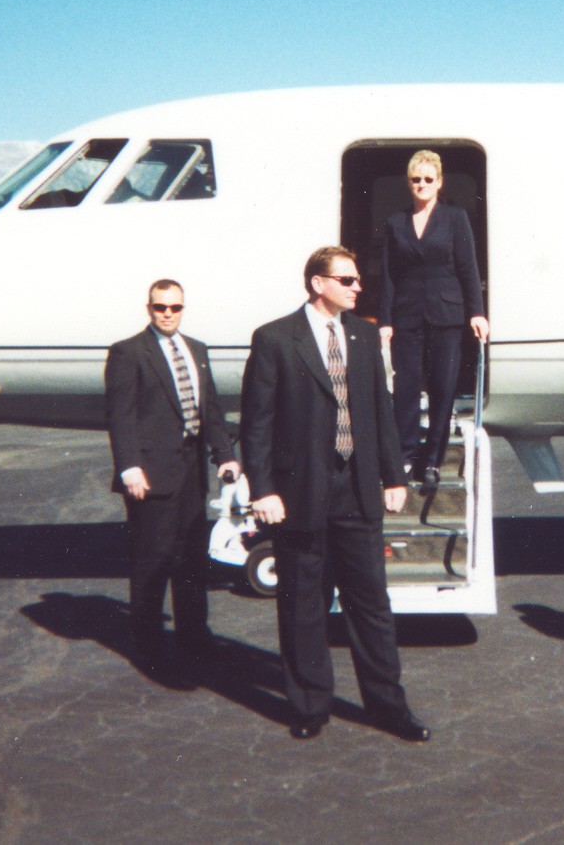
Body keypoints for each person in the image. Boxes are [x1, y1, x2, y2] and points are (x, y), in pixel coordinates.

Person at [239, 246, 430, 742]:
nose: (356, 287)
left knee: (371, 603)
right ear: (317, 283)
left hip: (358, 489)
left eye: (357, 279)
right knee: (304, 602)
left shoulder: (363, 336)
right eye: (346, 279)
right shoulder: (276, 339)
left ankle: (389, 706)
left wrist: (393, 476)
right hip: (300, 493)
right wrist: (264, 489)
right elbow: (257, 424)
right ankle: (309, 706)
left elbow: (380, 411)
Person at [105, 279, 240, 668]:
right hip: (150, 474)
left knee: (192, 558)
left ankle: (194, 635)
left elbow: (209, 408)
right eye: (160, 307)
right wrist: (129, 466)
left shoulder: (195, 350)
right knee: (154, 558)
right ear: (148, 308)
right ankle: (146, 642)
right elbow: (121, 415)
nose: (167, 314)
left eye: (175, 308)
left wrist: (225, 455)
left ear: (183, 308)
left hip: (191, 471)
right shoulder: (129, 352)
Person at [377, 149, 489, 487]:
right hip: (407, 314)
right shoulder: (396, 222)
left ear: (439, 182)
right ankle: (406, 455)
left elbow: (468, 268)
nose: (421, 184)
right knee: (406, 386)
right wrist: (385, 320)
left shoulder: (455, 218)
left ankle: (433, 459)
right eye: (416, 179)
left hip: (447, 313)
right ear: (408, 183)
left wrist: (478, 312)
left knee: (443, 386)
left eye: (428, 179)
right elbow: (388, 275)